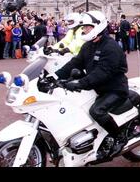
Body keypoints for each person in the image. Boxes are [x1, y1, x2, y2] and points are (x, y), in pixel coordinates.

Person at [54, 10, 129, 158]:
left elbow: (102, 73)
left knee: (97, 111)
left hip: (115, 89)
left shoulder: (111, 47)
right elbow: (74, 63)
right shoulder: (88, 45)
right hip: (98, 88)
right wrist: (55, 76)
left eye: (87, 27)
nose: (84, 29)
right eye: (84, 27)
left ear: (97, 26)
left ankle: (119, 137)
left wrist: (79, 84)